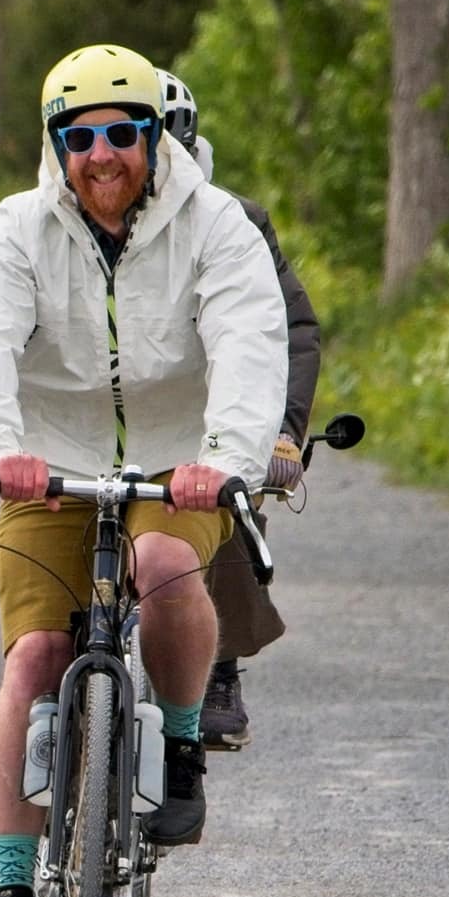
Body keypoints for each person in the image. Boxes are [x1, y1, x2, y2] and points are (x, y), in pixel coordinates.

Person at [0, 42, 288, 897]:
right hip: (46, 466)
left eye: (124, 133)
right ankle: (13, 884)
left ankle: (178, 747)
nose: (104, 155)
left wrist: (227, 460)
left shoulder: (217, 226)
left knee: (167, 566)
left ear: (155, 139)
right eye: (82, 136)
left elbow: (251, 341)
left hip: (181, 466)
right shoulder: (11, 230)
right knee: (35, 659)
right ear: (56, 144)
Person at [156, 68, 322, 752]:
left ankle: (219, 667)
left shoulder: (235, 221)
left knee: (223, 493)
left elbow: (290, 330)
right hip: (106, 412)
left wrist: (282, 430)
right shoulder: (60, 222)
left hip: (214, 406)